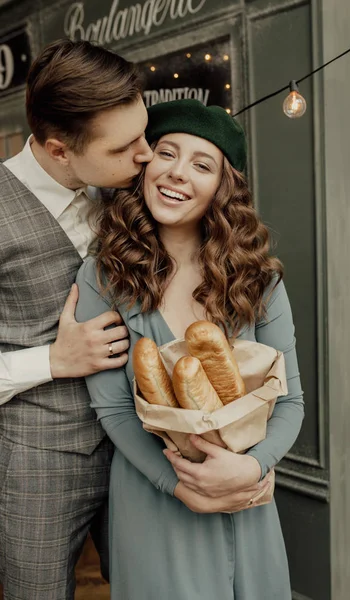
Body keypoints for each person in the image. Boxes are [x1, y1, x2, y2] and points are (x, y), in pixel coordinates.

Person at [75, 99, 304, 599]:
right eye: (166, 153)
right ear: (144, 165)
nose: (178, 173)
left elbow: (289, 401)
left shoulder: (257, 280)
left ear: (222, 187)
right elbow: (113, 408)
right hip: (153, 497)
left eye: (202, 165)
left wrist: (251, 467)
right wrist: (178, 486)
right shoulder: (103, 276)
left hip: (247, 497)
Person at [0, 38, 153, 600]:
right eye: (124, 147)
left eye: (144, 131)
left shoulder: (125, 193)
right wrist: (53, 359)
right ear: (60, 149)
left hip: (139, 448)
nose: (145, 154)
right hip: (37, 463)